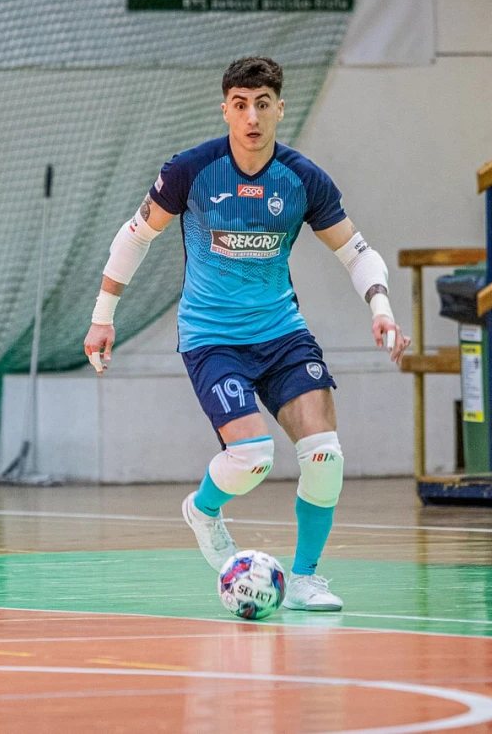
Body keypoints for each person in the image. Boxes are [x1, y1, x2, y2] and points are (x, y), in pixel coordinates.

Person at [82, 56, 409, 611]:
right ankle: (203, 510)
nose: (252, 117)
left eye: (262, 104)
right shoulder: (191, 171)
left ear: (280, 108)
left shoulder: (302, 179)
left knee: (325, 455)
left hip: (282, 334)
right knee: (254, 456)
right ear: (225, 110)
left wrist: (381, 307)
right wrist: (102, 315)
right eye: (240, 105)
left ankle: (305, 578)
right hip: (213, 338)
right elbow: (136, 236)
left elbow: (357, 252)